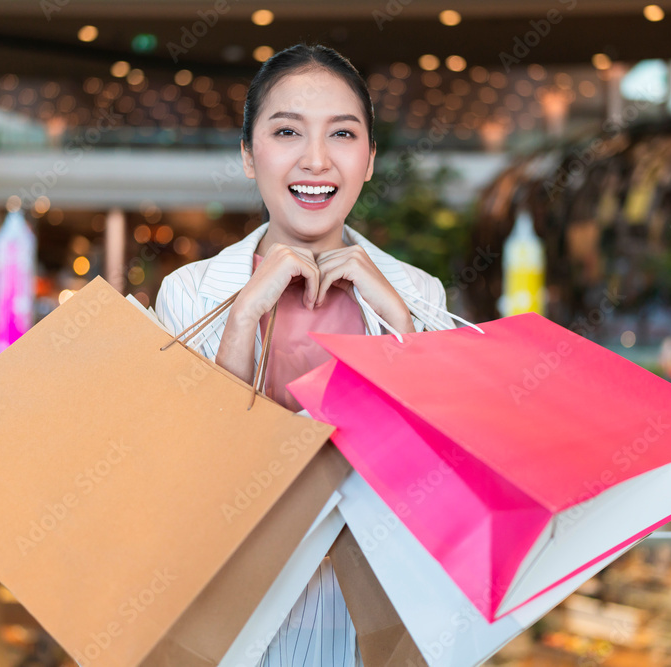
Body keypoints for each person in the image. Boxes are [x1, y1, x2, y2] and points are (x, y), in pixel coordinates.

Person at [155, 42, 453, 667]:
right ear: (247, 154)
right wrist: (241, 320)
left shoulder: (419, 295)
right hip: (228, 632)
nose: (315, 159)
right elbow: (186, 487)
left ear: (369, 159)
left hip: (366, 625)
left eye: (342, 134)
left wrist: (399, 324)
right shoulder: (188, 295)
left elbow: (434, 491)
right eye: (287, 130)